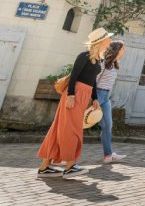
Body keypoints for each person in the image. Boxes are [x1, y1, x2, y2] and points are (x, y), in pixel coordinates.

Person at [37, 28, 113, 177]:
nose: (110, 41)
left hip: (85, 94)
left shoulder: (97, 59)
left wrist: (95, 98)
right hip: (75, 94)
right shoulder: (83, 56)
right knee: (71, 129)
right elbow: (74, 76)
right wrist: (71, 95)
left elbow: (92, 81)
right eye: (108, 39)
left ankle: (44, 167)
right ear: (101, 41)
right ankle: (70, 165)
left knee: (60, 127)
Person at [97, 40, 127, 163]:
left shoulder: (115, 64)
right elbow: (94, 80)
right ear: (117, 50)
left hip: (106, 97)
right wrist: (93, 98)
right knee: (81, 124)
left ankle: (108, 155)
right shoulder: (103, 63)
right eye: (123, 49)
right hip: (97, 94)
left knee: (108, 126)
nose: (124, 51)